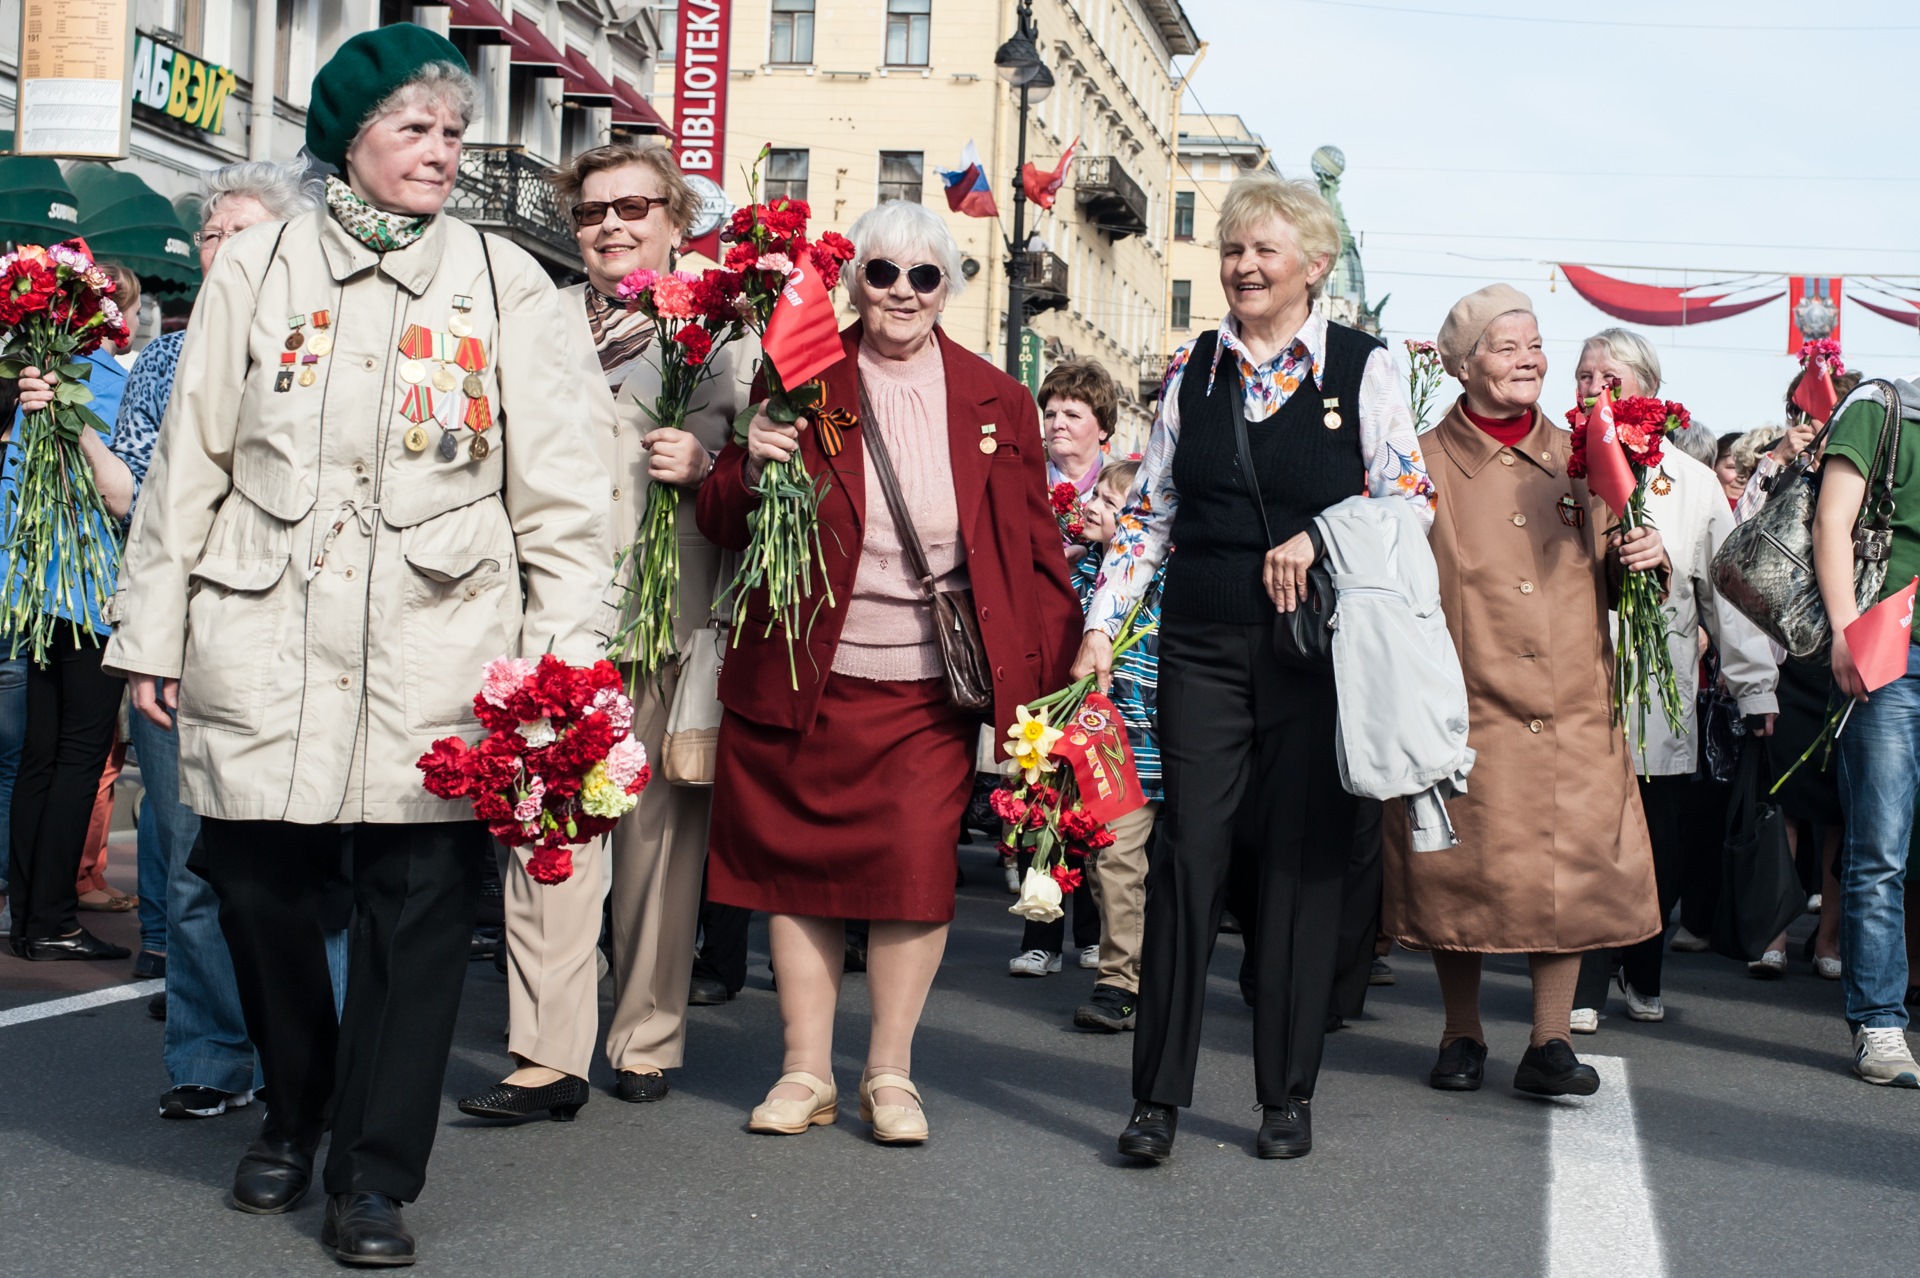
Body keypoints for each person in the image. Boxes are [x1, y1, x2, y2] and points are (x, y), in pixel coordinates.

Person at [100, 28, 612, 1263]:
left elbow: (563, 496)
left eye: (449, 131)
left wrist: (561, 662)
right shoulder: (259, 268)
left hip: (445, 646)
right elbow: (192, 465)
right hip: (263, 627)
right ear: (350, 141)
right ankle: (296, 1109)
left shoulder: (505, 285)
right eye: (412, 130)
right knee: (260, 888)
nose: (439, 152)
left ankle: (373, 1175)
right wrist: (151, 631)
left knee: (415, 911)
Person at [696, 198, 1081, 1145]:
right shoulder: (799, 377)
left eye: (925, 276)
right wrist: (751, 463)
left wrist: (1054, 681)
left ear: (948, 287)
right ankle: (803, 1070)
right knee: (796, 873)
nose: (902, 293)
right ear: (854, 282)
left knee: (913, 874)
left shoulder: (999, 398)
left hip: (925, 687)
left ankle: (891, 1072)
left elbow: (1035, 550)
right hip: (804, 671)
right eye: (882, 273)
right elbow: (718, 516)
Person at [1073, 173, 1435, 1163]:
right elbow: (1149, 514)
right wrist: (1104, 624)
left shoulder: (1363, 368)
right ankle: (1156, 1098)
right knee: (1189, 856)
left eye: (1265, 251)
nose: (1243, 266)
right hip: (1202, 641)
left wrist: (1323, 537)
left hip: (1314, 654)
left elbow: (1411, 505)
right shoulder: (1195, 369)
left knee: (1300, 863)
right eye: (1234, 250)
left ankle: (1286, 1095)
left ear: (1313, 266)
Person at [458, 140, 755, 1123]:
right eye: (592, 212)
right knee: (551, 826)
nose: (613, 226)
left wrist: (707, 468)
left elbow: (778, 478)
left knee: (663, 846)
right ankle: (548, 1052)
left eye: (633, 207)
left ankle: (645, 1034)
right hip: (556, 611)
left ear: (676, 219)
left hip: (678, 615)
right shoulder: (528, 323)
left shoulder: (729, 332)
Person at [1382, 286, 1663, 1100]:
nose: (1530, 359)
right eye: (1506, 348)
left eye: (1536, 344)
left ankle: (1547, 1043)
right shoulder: (1423, 462)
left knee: (1565, 867)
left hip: (1574, 700)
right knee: (1459, 868)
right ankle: (1461, 1031)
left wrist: (1640, 556)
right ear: (1461, 365)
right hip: (1467, 700)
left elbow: (1617, 570)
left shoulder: (1586, 451)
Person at [114, 160, 347, 1116]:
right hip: (197, 630)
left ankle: (317, 1063)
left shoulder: (327, 341)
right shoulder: (167, 358)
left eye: (240, 232)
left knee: (313, 858)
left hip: (307, 630)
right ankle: (210, 1053)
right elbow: (139, 501)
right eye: (211, 236)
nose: (220, 250)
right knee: (197, 858)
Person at [1564, 328, 1777, 1031]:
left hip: (1661, 690)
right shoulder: (1562, 467)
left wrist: (1755, 687)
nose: (1592, 388)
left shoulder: (1688, 480)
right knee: (1587, 836)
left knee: (1656, 840)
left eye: (1608, 377)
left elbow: (1730, 592)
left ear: (1646, 390)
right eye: (1584, 375)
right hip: (1579, 679)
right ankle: (1585, 984)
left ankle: (1643, 967)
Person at [2, 268, 136, 963]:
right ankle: (51, 919)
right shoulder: (105, 381)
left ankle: (28, 914)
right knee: (79, 759)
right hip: (92, 594)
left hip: (36, 592)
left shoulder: (32, 381)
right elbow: (124, 494)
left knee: (39, 759)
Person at [1816, 376, 1920, 1086]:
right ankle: (1880, 1024)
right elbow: (1832, 522)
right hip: (1891, 651)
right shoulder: (1883, 408)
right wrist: (1847, 628)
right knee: (1880, 848)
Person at [1007, 360, 1124, 977]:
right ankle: (1040, 930)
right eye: (1049, 413)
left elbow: (1146, 556)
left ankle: (1092, 929)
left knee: (1094, 786)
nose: (1056, 424)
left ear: (1102, 428)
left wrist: (1110, 538)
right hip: (1045, 650)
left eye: (1072, 414)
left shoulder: (1123, 486)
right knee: (1042, 784)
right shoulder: (1028, 480)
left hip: (1104, 657)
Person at [1067, 459, 1165, 1035]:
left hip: (1171, 745)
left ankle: (1169, 973)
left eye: (1110, 502)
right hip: (1115, 753)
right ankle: (1118, 981)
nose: (1095, 508)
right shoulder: (1083, 580)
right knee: (1115, 863)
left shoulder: (1166, 581)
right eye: (1096, 497)